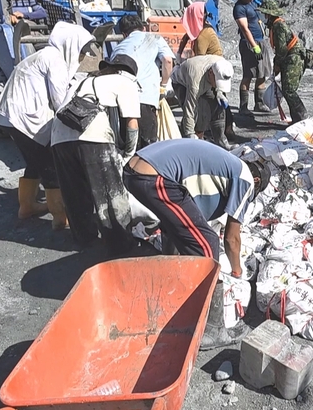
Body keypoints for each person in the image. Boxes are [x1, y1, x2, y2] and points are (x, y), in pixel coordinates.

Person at [123, 138, 270, 349]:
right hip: (153, 176)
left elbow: (190, 216)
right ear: (257, 181)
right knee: (207, 243)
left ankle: (169, 287)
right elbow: (232, 238)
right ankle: (212, 330)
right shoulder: (245, 178)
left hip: (134, 170)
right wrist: (237, 272)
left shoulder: (224, 167)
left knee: (177, 228)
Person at [0, 22, 92, 229]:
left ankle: (27, 206)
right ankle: (60, 217)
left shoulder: (45, 55)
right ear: (71, 45)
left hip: (10, 115)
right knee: (50, 165)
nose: (82, 56)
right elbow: (59, 101)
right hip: (22, 118)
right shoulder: (54, 60)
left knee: (34, 160)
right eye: (81, 51)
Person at [50, 54, 141, 254]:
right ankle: (121, 244)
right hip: (93, 136)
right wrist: (128, 155)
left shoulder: (82, 81)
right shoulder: (126, 81)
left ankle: (84, 239)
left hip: (58, 137)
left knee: (74, 193)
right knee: (109, 192)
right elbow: (132, 123)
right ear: (129, 73)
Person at [112, 15, 174, 149]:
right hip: (146, 98)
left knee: (129, 147)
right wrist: (163, 85)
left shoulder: (118, 49)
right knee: (148, 148)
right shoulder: (154, 38)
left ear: (124, 34)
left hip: (123, 103)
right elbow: (168, 61)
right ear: (143, 28)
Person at [256, 0, 307, 123]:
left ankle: (302, 118)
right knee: (286, 89)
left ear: (269, 14)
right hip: (288, 58)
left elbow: (282, 49)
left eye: (264, 14)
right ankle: (296, 120)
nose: (263, 17)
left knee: (289, 90)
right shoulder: (275, 25)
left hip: (293, 58)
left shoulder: (278, 26)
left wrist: (277, 64)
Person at [170, 55, 235, 148]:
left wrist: (219, 92)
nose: (217, 85)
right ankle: (190, 144)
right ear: (211, 73)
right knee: (198, 115)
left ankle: (221, 142)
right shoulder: (195, 81)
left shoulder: (223, 65)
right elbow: (189, 109)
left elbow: (218, 81)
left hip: (205, 80)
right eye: (217, 82)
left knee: (218, 107)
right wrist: (190, 134)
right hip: (181, 83)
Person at [233, 0, 273, 114]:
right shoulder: (239, 8)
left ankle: (259, 104)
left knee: (262, 74)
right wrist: (254, 45)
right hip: (249, 43)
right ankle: (243, 107)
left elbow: (261, 3)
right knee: (248, 75)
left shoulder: (252, 3)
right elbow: (245, 29)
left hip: (261, 41)